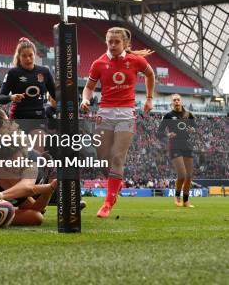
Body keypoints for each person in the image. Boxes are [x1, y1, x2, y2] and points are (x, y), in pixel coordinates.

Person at [80, 27, 155, 218]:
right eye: (109, 41)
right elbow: (88, 88)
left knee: (117, 157)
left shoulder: (136, 60)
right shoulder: (98, 63)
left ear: (125, 44)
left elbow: (150, 75)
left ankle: (108, 202)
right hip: (105, 113)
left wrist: (149, 98)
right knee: (103, 160)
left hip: (126, 114)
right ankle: (116, 182)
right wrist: (85, 99)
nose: (112, 45)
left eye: (116, 42)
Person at [0, 37, 56, 153]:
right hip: (18, 119)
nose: (28, 58)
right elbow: (1, 98)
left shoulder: (44, 72)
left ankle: (41, 169)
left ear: (35, 55)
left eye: (30, 55)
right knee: (20, 154)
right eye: (24, 56)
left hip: (38, 118)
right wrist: (11, 97)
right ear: (19, 57)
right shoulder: (13, 73)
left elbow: (56, 95)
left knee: (37, 151)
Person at [157, 94, 196, 207]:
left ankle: (186, 201)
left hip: (187, 146)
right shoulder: (168, 116)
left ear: (181, 101)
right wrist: (167, 134)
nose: (176, 101)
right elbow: (159, 133)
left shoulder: (188, 114)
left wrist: (193, 130)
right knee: (182, 174)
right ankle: (177, 196)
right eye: (174, 100)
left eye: (178, 99)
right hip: (174, 147)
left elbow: (195, 128)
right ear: (172, 103)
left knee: (189, 176)